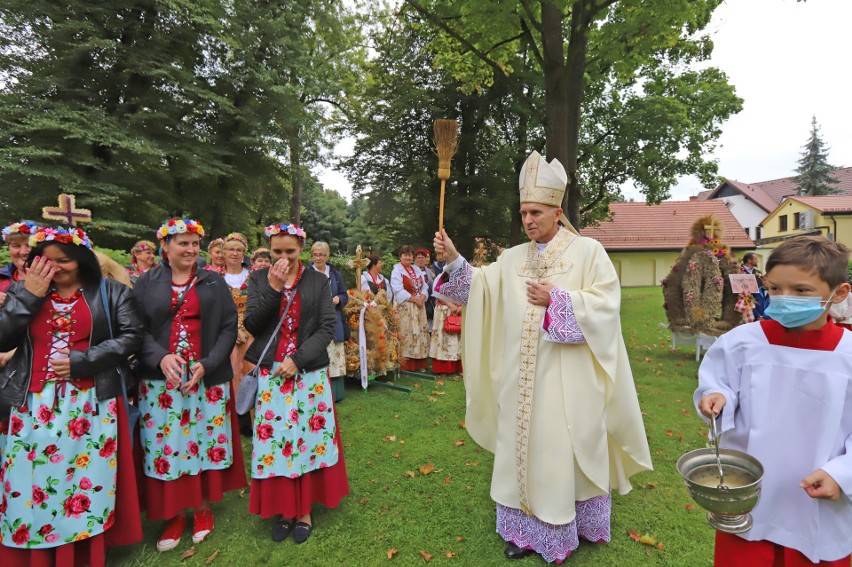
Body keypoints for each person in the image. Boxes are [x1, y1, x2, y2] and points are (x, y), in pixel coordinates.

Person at [433, 151, 652, 563]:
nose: (528, 220)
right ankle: (522, 528)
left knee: (561, 448)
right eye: (523, 213)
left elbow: (607, 305)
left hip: (569, 379)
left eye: (535, 211)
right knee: (521, 448)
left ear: (557, 210)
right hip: (520, 380)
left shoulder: (588, 252)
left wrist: (559, 299)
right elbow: (479, 290)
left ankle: (571, 525)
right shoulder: (513, 257)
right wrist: (455, 260)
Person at [696, 235, 852, 566]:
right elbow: (720, 382)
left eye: (801, 291)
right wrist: (717, 396)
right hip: (751, 489)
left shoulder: (847, 355)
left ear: (838, 293)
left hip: (818, 492)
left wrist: (843, 473)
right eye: (775, 288)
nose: (784, 299)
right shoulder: (741, 343)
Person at [0, 225, 144, 567]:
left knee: (84, 480)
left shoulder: (110, 292)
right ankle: (35, 550)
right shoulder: (24, 291)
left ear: (82, 260)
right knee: (30, 478)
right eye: (46, 261)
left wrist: (85, 360)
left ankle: (82, 550)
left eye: (62, 260)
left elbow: (131, 336)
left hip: (90, 403)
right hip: (33, 403)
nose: (54, 268)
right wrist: (29, 296)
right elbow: (3, 338)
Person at [133, 219, 245, 552]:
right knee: (167, 446)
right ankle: (175, 513)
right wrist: (159, 357)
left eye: (195, 244)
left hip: (204, 380)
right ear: (165, 247)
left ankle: (202, 508)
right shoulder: (145, 283)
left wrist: (208, 364)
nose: (191, 250)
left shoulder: (212, 280)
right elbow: (134, 329)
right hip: (160, 384)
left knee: (203, 442)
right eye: (183, 243)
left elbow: (228, 327)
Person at [243, 223, 349, 543]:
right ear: (269, 249)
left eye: (290, 251)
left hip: (307, 374)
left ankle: (304, 510)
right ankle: (285, 509)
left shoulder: (317, 280)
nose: (283, 257)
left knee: (307, 439)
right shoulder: (260, 279)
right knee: (278, 442)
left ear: (300, 248)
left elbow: (326, 327)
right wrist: (274, 290)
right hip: (272, 374)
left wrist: (298, 359)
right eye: (277, 251)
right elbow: (252, 324)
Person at [308, 241, 349, 395]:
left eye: (321, 255)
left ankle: (336, 393)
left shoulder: (335, 274)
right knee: (318, 352)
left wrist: (339, 299)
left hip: (334, 320)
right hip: (315, 321)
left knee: (335, 356)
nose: (318, 258)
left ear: (327, 256)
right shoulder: (307, 273)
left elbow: (345, 295)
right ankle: (319, 392)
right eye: (315, 254)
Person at [222, 232, 254, 436]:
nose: (235, 253)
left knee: (251, 374)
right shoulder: (213, 277)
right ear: (223, 252)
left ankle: (253, 419)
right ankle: (232, 422)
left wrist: (248, 328)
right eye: (231, 249)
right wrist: (231, 330)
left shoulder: (254, 277)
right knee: (231, 375)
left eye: (239, 250)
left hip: (251, 333)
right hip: (226, 335)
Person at [390, 245, 430, 372]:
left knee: (419, 333)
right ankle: (406, 365)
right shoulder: (396, 270)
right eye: (405, 255)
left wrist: (422, 297)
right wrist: (415, 299)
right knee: (407, 334)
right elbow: (397, 289)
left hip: (418, 307)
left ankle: (419, 363)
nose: (408, 257)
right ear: (400, 256)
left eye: (410, 255)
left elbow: (425, 286)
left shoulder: (417, 269)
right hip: (405, 308)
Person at [429, 296, 462, 374]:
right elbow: (437, 293)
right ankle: (444, 368)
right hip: (445, 308)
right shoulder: (441, 283)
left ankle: (460, 366)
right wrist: (451, 305)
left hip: (461, 308)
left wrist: (462, 305)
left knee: (461, 338)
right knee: (445, 339)